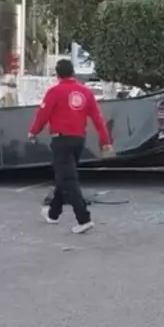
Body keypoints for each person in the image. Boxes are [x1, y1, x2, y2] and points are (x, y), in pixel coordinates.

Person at [28, 59, 113, 234]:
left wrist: (33, 132)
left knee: (68, 179)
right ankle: (53, 213)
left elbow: (43, 114)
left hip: (61, 141)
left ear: (57, 74)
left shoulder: (55, 92)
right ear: (73, 72)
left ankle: (84, 218)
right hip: (78, 141)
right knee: (64, 176)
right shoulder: (85, 92)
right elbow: (98, 119)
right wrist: (105, 142)